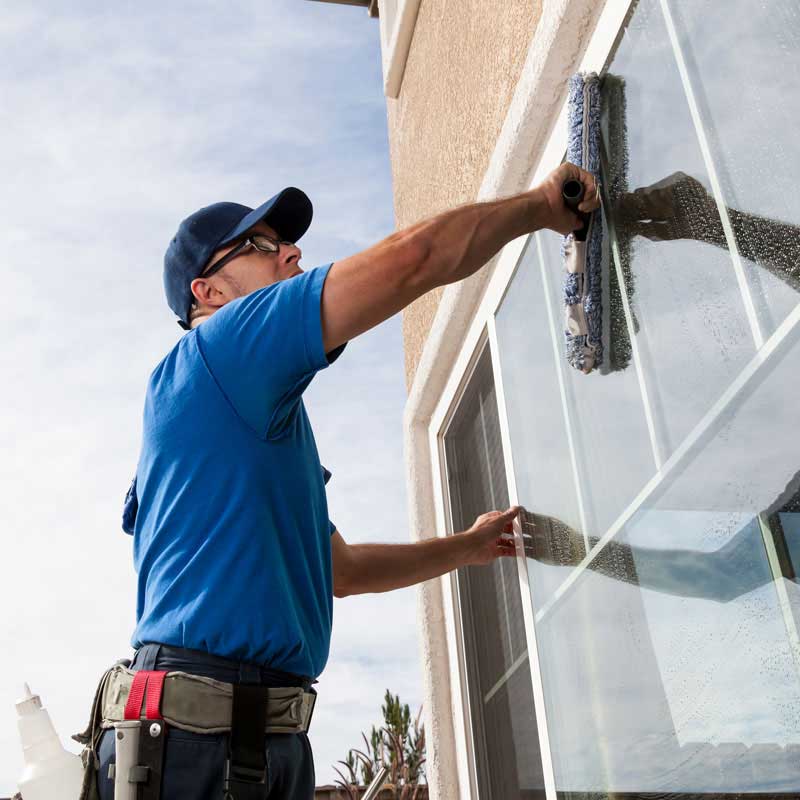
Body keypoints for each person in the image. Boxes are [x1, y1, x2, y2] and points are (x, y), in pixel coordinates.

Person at [93, 162, 599, 799]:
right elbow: (415, 258)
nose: (291, 253)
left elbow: (342, 570)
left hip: (247, 735)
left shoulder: (247, 424)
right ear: (209, 292)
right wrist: (541, 206)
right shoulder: (220, 350)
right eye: (261, 247)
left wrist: (467, 548)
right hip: (200, 739)